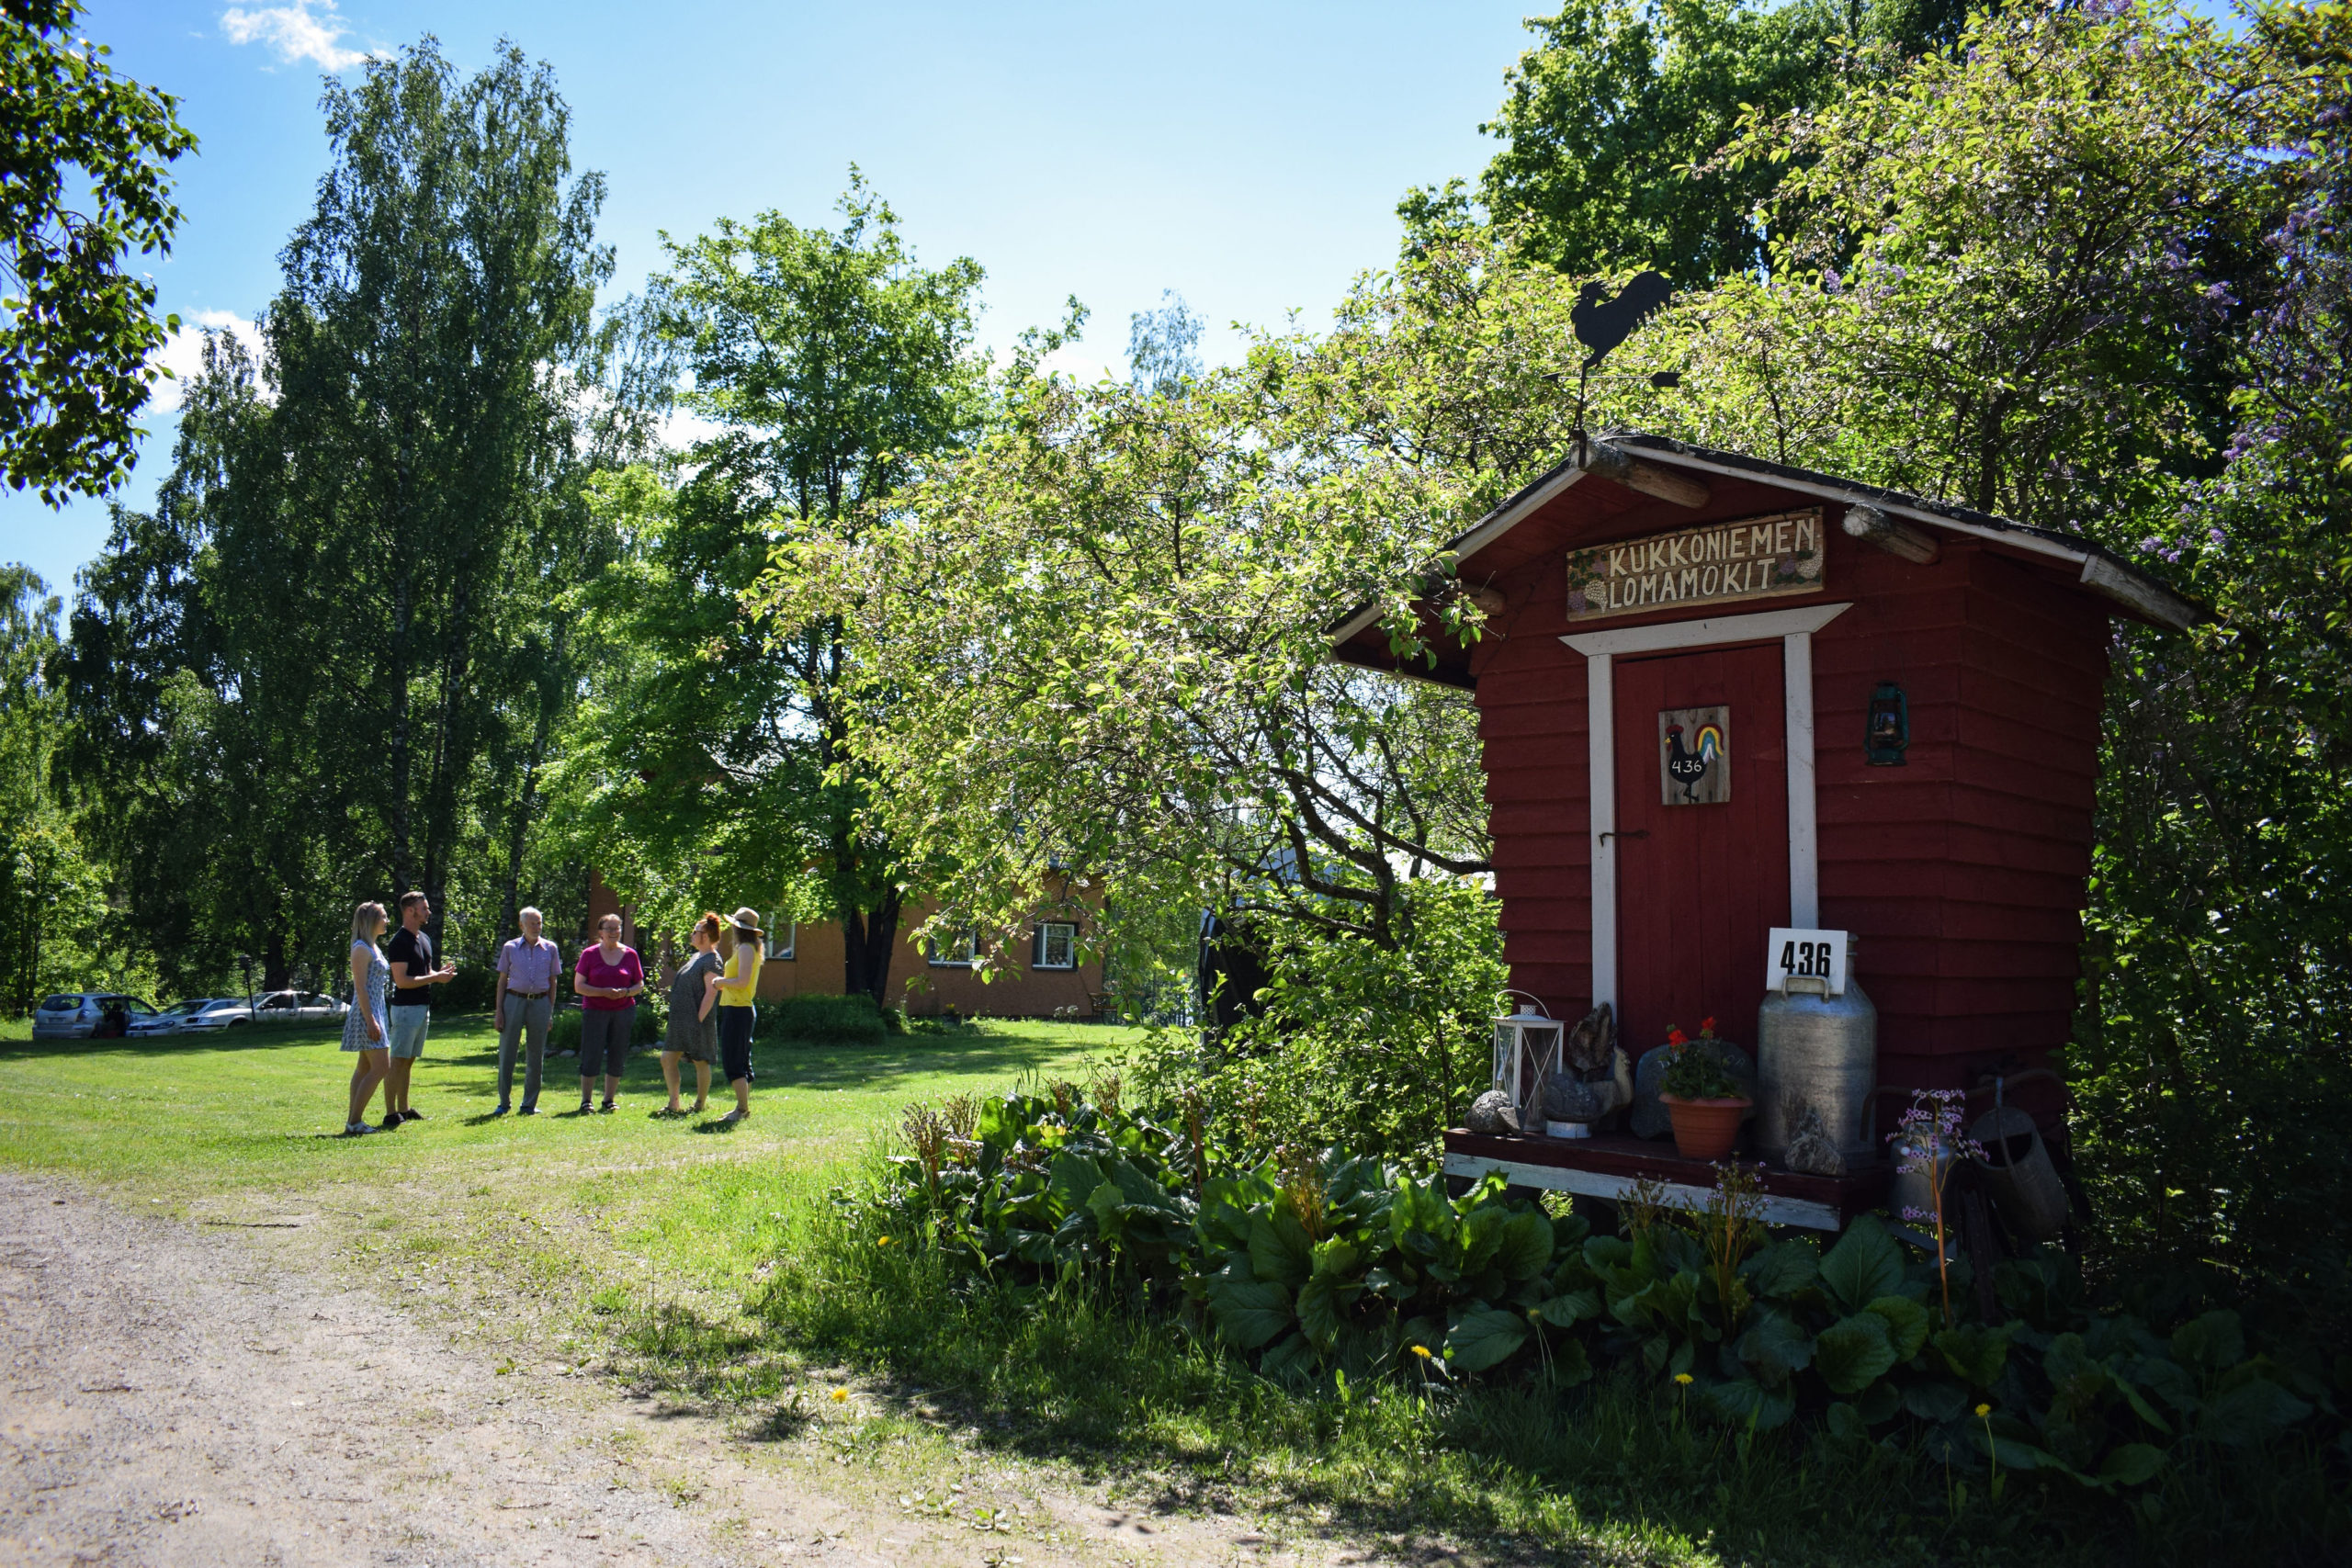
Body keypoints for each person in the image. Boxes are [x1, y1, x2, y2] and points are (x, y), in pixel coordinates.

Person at [382, 890, 458, 1128]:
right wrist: (435, 978)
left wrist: (439, 974)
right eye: (423, 908)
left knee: (409, 1060)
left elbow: (424, 974)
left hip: (421, 1007)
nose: (428, 912)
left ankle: (404, 1109)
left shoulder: (423, 939)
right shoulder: (399, 941)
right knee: (398, 1061)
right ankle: (390, 1113)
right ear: (410, 910)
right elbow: (402, 981)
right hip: (405, 1009)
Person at [572, 912, 644, 1113]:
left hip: (623, 1011)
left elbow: (639, 983)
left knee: (618, 1053)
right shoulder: (589, 954)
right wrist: (603, 993)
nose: (614, 932)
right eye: (609, 929)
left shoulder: (630, 954)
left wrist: (627, 992)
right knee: (591, 1054)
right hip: (595, 1011)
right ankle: (586, 1101)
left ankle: (608, 1100)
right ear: (600, 932)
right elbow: (579, 986)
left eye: (617, 928)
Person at [493, 906, 562, 1116]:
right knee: (508, 1053)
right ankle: (504, 1103)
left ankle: (529, 1104)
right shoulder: (510, 947)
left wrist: (549, 1011)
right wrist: (499, 1011)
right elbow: (502, 981)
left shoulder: (550, 948)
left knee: (536, 1055)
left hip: (540, 1003)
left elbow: (553, 982)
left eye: (539, 923)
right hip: (513, 1001)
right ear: (521, 925)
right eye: (532, 923)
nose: (536, 927)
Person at [658, 913, 724, 1117]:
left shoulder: (713, 960)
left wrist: (698, 1020)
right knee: (667, 1058)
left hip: (697, 1021)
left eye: (695, 931)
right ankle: (673, 1103)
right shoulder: (697, 956)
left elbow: (711, 992)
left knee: (700, 1060)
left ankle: (700, 1104)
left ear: (705, 935)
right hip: (681, 1021)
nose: (692, 934)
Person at [706, 908, 765, 1125]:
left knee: (734, 1060)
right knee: (740, 1058)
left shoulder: (746, 949)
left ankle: (742, 1109)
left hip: (739, 1009)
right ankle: (741, 1107)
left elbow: (742, 982)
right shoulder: (747, 948)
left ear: (738, 927)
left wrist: (720, 982)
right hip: (738, 1007)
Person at [341, 901, 392, 1134]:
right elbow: (360, 988)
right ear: (371, 920)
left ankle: (354, 1121)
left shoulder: (374, 946)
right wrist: (371, 1021)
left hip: (376, 1011)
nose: (387, 921)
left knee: (364, 1067)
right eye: (383, 917)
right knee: (382, 1066)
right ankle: (354, 1121)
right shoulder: (361, 948)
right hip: (366, 1014)